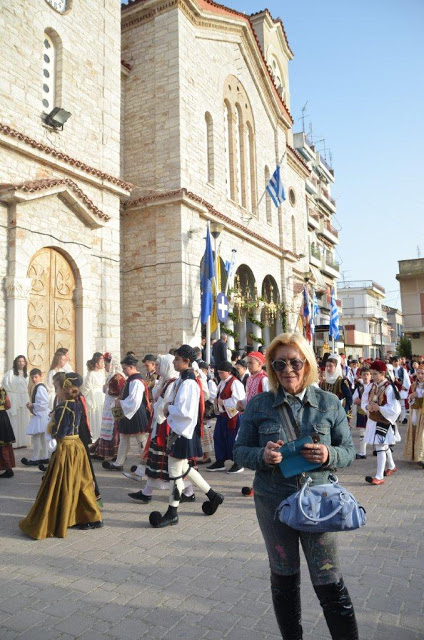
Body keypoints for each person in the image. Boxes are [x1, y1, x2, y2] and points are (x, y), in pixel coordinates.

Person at [233, 332, 358, 640]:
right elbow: (239, 451)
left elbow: (349, 451)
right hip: (274, 503)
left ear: (307, 364)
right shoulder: (260, 405)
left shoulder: (328, 404)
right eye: (279, 364)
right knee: (284, 577)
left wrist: (329, 453)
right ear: (272, 369)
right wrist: (263, 455)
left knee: (328, 578)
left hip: (319, 504)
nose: (287, 370)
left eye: (295, 362)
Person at [19, 372, 103, 539]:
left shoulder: (63, 407)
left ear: (64, 390)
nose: (55, 392)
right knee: (81, 483)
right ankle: (91, 516)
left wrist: (52, 425)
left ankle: (60, 517)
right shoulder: (77, 403)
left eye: (57, 388)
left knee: (62, 484)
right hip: (77, 446)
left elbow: (60, 432)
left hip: (66, 450)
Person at [149, 345, 223, 528]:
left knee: (175, 472)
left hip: (183, 432)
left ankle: (172, 512)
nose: (174, 362)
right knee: (184, 469)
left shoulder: (189, 383)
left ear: (187, 362)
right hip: (179, 430)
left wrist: (168, 408)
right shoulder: (182, 381)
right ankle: (213, 495)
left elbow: (186, 411)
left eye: (177, 360)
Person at [128, 354, 193, 503]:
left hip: (166, 426)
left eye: (158, 365)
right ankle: (147, 491)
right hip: (161, 424)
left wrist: (157, 403)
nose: (156, 368)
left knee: (170, 462)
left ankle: (187, 491)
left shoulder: (172, 383)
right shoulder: (165, 381)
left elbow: (166, 406)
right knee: (159, 460)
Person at [103, 354, 151, 471]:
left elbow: (134, 400)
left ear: (131, 367)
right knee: (123, 436)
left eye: (125, 368)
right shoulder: (132, 380)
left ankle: (148, 463)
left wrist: (121, 403)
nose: (123, 371)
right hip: (128, 411)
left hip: (136, 413)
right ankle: (119, 463)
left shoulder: (136, 381)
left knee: (140, 438)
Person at [361, 360, 401, 485]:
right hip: (373, 420)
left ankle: (379, 476)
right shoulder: (372, 386)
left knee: (380, 447)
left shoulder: (389, 388)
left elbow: (395, 408)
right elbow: (364, 401)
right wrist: (368, 407)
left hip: (384, 421)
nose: (372, 377)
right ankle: (392, 466)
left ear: (382, 373)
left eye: (374, 374)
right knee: (383, 445)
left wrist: (379, 408)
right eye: (371, 374)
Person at [206, 361, 245, 473]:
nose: (220, 375)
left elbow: (239, 400)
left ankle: (238, 463)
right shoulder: (222, 382)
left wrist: (223, 402)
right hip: (223, 415)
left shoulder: (236, 383)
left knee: (232, 440)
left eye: (222, 373)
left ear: (229, 372)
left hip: (233, 416)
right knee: (219, 438)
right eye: (218, 373)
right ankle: (220, 461)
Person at [90, 357, 125, 460]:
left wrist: (107, 389)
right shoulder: (112, 376)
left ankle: (115, 453)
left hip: (115, 406)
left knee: (114, 430)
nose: (105, 366)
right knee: (107, 429)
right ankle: (103, 451)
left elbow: (119, 391)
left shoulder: (118, 377)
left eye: (107, 364)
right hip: (109, 406)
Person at [21, 369, 49, 466]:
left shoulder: (40, 388)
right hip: (41, 415)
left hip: (41, 415)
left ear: (41, 376)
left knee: (37, 437)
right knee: (41, 437)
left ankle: (35, 458)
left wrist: (33, 405)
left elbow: (44, 403)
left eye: (36, 377)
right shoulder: (37, 387)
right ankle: (45, 456)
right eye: (32, 377)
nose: (34, 379)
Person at [2, 355, 30, 448]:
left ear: (25, 363)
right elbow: (5, 386)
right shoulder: (10, 374)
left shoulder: (27, 374)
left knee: (23, 419)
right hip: (14, 398)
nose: (21, 363)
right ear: (16, 362)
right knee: (14, 420)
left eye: (23, 361)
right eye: (19, 361)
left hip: (24, 398)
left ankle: (23, 442)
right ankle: (14, 443)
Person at [81, 352, 106, 440]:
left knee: (100, 415)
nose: (103, 364)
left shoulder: (101, 373)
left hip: (100, 396)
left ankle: (101, 434)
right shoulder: (90, 374)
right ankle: (94, 435)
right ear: (96, 363)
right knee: (94, 416)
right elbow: (86, 389)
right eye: (101, 362)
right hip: (93, 397)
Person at [403, 364, 424, 467]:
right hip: (415, 411)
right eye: (418, 373)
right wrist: (411, 398)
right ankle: (415, 455)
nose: (420, 376)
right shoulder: (414, 385)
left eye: (422, 373)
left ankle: (421, 456)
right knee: (415, 432)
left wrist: (419, 394)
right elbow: (410, 398)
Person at [352, 366, 372, 459]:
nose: (366, 376)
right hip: (362, 412)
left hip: (372, 412)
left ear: (370, 376)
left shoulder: (374, 386)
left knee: (374, 430)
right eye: (364, 375)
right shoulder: (358, 387)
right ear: (361, 376)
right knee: (362, 432)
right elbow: (355, 399)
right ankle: (362, 452)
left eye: (367, 374)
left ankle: (376, 449)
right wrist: (359, 401)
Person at [0, 386, 16, 478]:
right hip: (3, 417)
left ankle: (8, 469)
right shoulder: (2, 390)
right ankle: (8, 468)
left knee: (2, 446)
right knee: (4, 445)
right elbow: (8, 405)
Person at [392, 356, 410, 423]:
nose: (396, 363)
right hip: (393, 388)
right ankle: (395, 417)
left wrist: (405, 387)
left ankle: (403, 417)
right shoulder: (390, 370)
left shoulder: (403, 370)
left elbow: (406, 379)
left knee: (402, 404)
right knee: (394, 404)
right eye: (395, 361)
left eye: (397, 361)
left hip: (401, 388)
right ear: (392, 362)